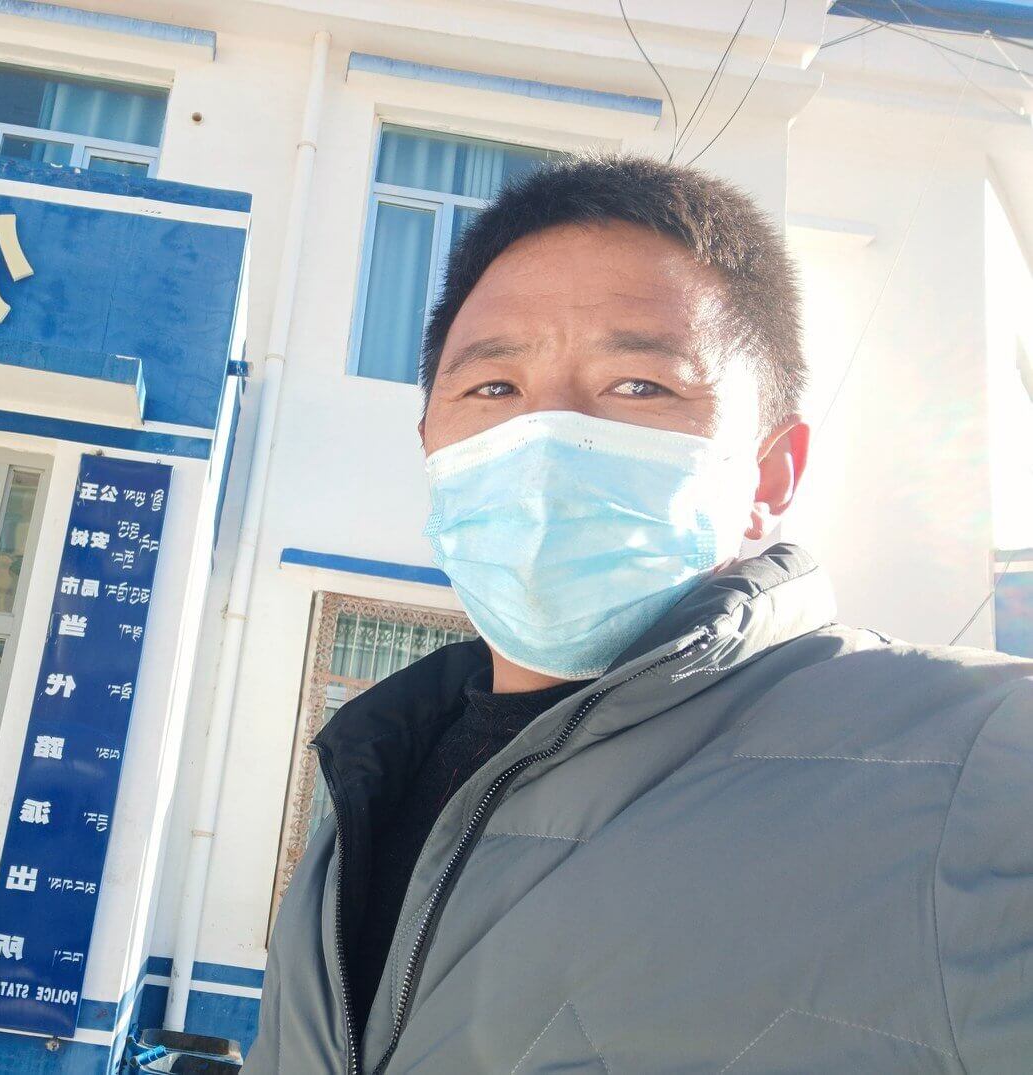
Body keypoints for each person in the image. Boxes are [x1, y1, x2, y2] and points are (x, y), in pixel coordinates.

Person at [247, 155, 1033, 1073]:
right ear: (431, 441)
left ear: (769, 474)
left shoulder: (974, 771)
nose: (542, 442)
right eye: (492, 389)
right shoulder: (360, 794)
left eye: (638, 387)